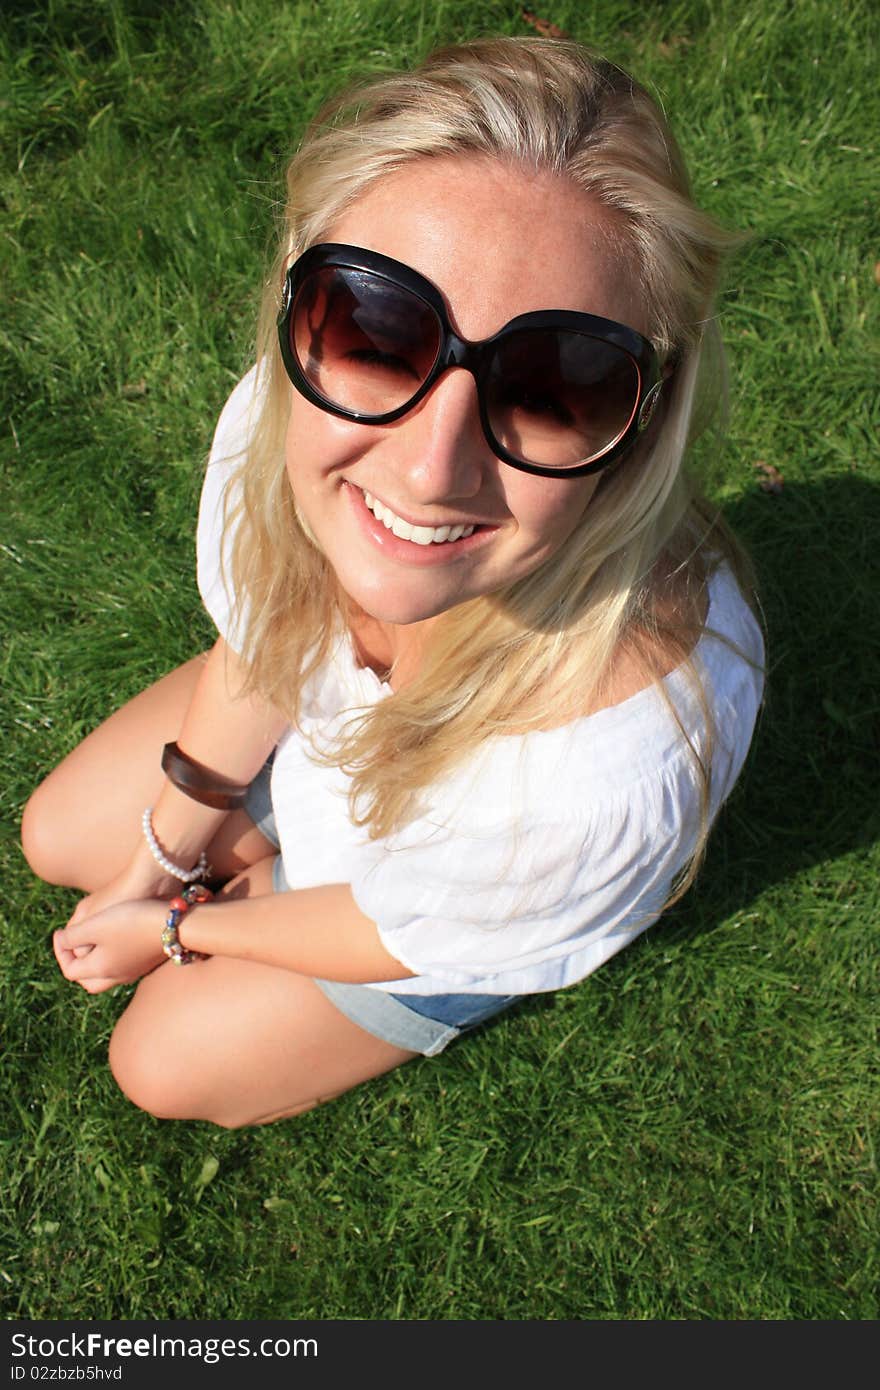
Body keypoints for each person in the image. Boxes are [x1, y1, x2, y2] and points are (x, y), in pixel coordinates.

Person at [21, 35, 764, 1129]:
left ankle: (282, 878)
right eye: (379, 324)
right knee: (60, 837)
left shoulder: (599, 771)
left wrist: (180, 927)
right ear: (298, 303)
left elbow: (404, 930)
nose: (427, 467)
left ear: (646, 420)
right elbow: (272, 630)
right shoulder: (293, 428)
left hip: (453, 903)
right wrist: (162, 851)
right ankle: (278, 857)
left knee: (160, 1064)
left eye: (554, 383)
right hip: (344, 768)